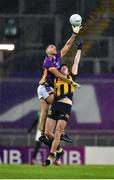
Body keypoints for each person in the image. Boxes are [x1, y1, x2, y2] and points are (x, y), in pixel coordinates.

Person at [37, 25, 82, 142]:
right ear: (46, 51)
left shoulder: (57, 57)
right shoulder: (47, 62)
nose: (54, 47)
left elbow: (67, 45)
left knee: (45, 112)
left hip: (44, 88)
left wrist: (74, 33)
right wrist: (71, 81)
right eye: (51, 46)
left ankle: (42, 135)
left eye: (54, 46)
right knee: (60, 103)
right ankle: (61, 132)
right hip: (45, 87)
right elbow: (58, 74)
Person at [42, 38, 83, 166]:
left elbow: (76, 62)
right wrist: (42, 82)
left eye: (66, 67)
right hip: (55, 105)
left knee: (58, 131)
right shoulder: (57, 79)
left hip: (66, 106)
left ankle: (50, 157)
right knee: (48, 132)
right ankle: (59, 150)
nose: (64, 68)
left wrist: (79, 49)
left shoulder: (72, 76)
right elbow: (47, 77)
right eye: (63, 67)